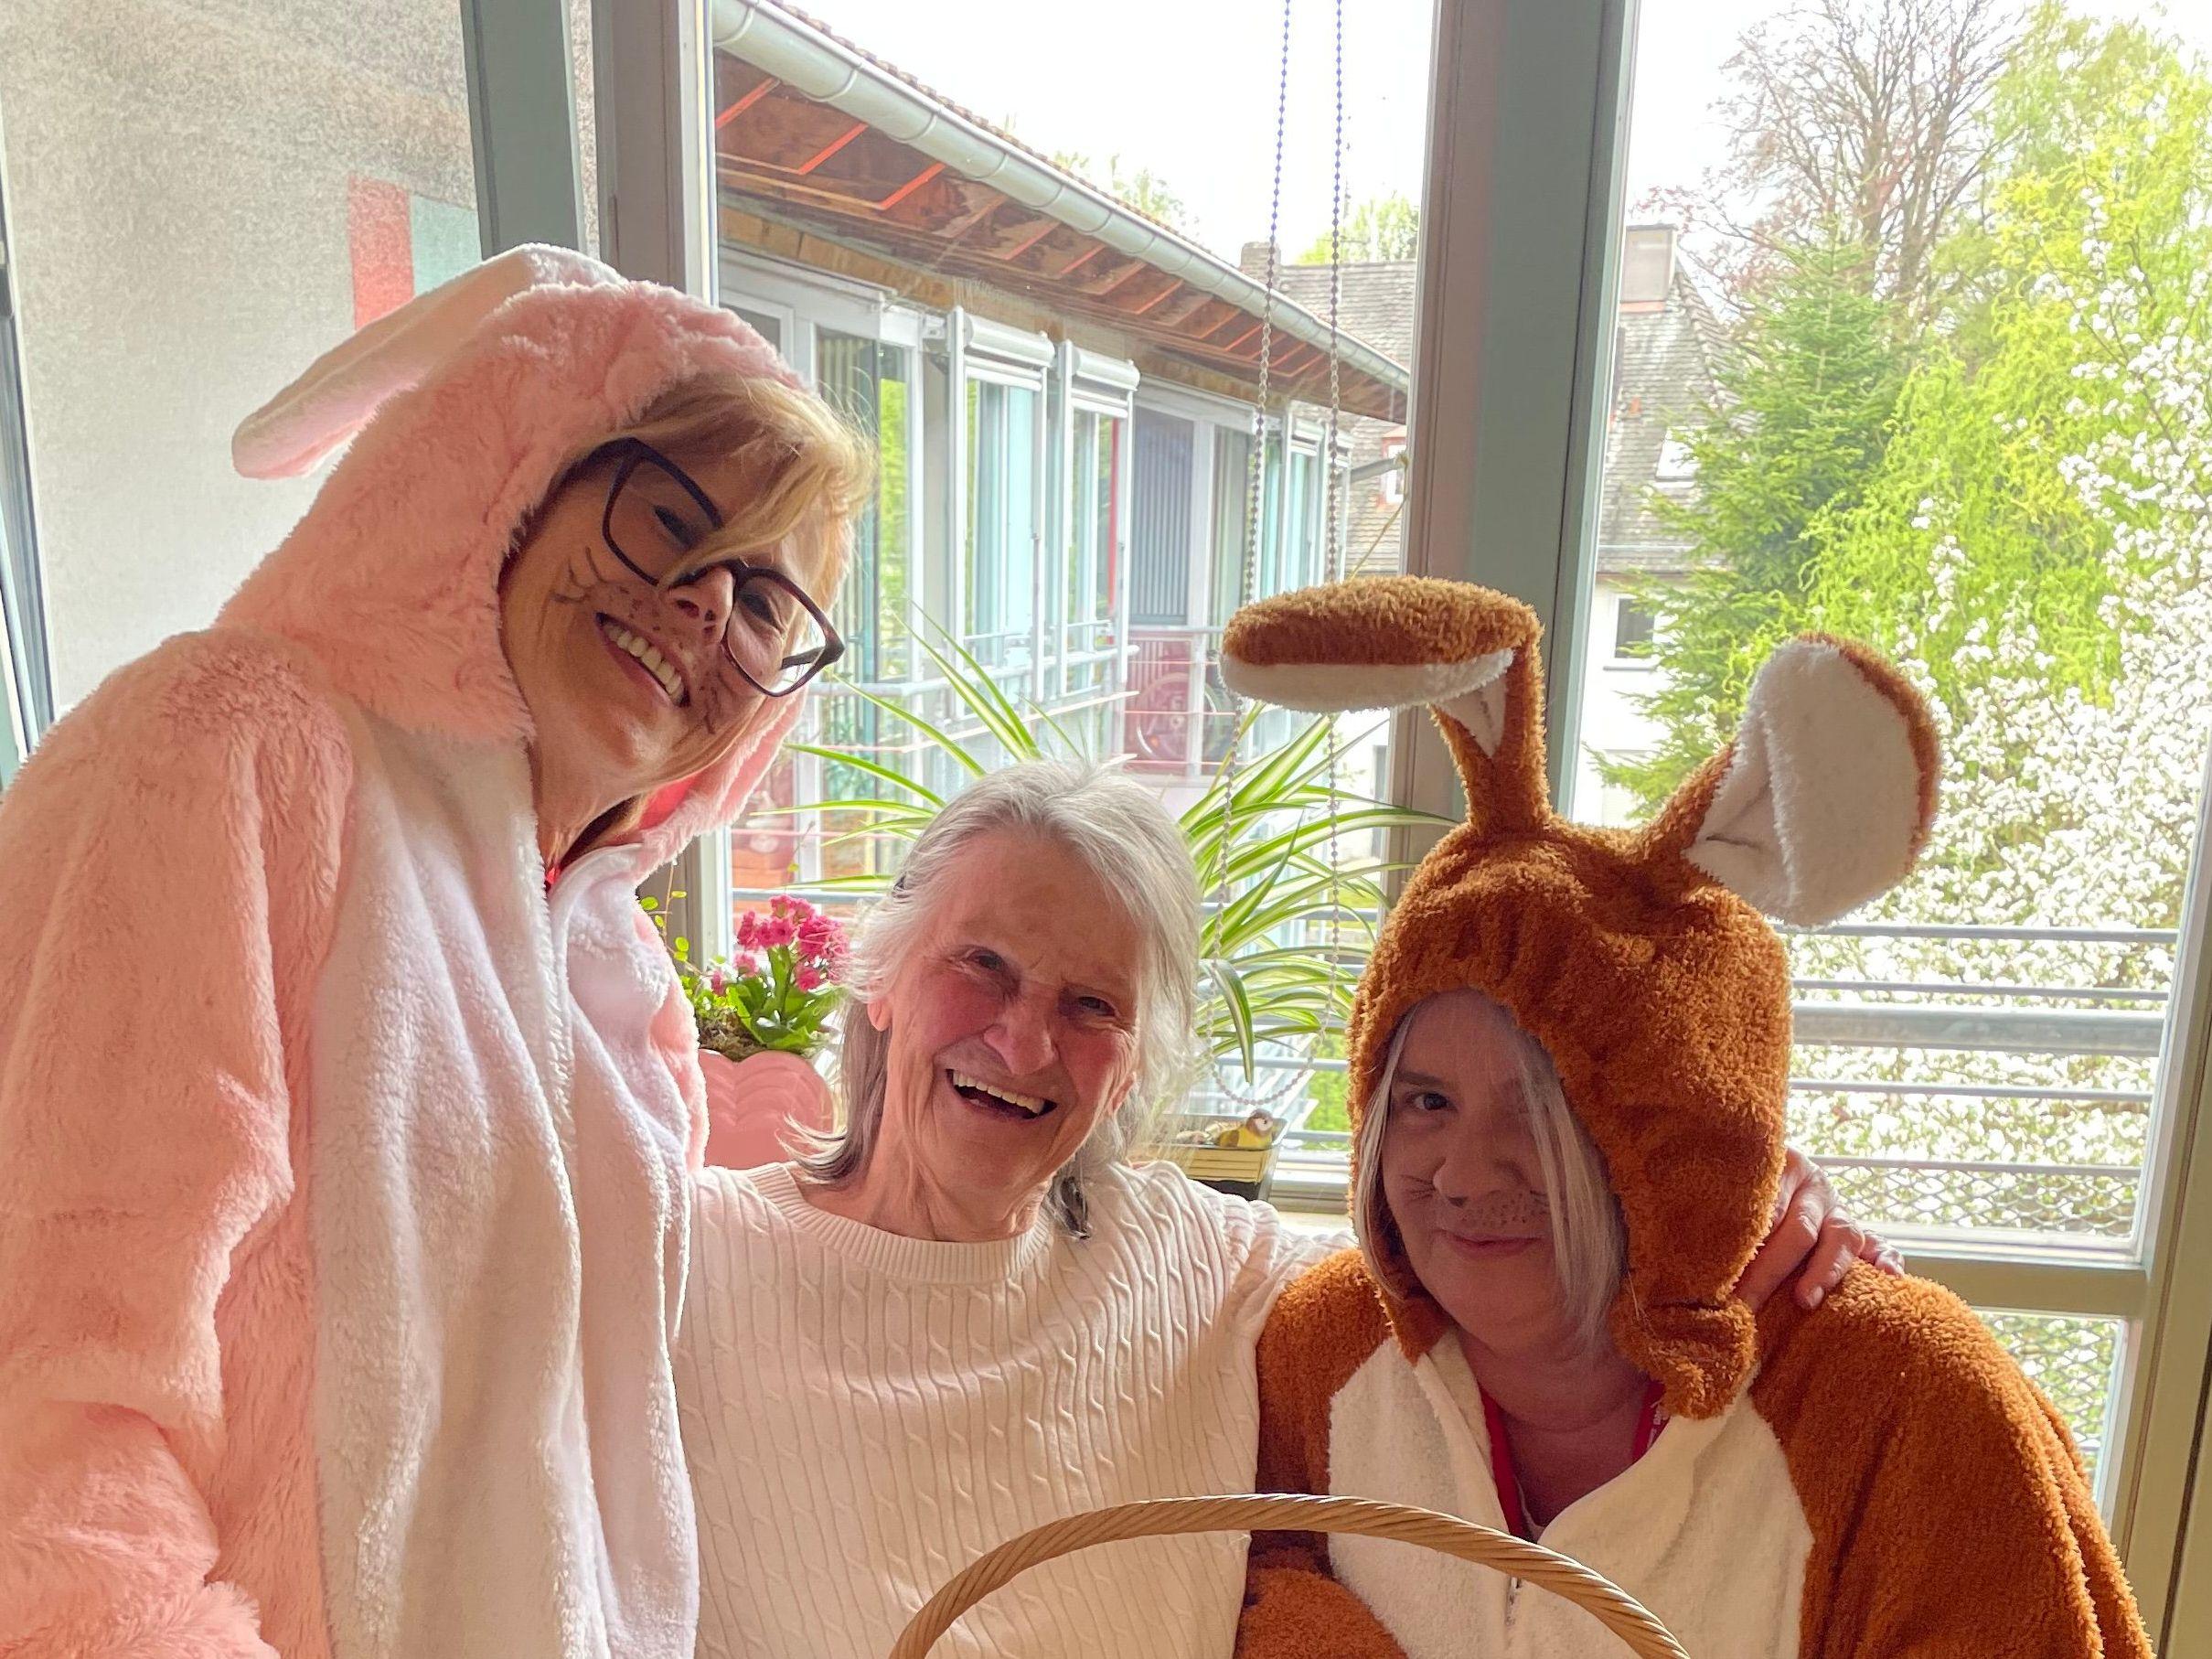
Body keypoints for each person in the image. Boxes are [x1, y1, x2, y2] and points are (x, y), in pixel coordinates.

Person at [0, 246, 870, 1659]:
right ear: (507, 485)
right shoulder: (231, 750)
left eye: (769, 601)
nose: (710, 603)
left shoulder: (624, 992)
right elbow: (50, 1385)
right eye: (669, 516)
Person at [677, 758, 1895, 1659]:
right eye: (981, 963)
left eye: (1093, 1005)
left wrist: (1736, 1186)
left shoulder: (1204, 1266)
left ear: (1132, 1065)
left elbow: (1481, 1243)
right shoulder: (685, 1258)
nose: (1025, 1039)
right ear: (880, 972)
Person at [1222, 574, 2149, 1657]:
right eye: (1425, 1099)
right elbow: (1248, 1568)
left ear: (1674, 1130)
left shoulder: (1908, 1402)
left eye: (1546, 1105)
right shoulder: (1321, 1345)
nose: (1464, 1173)